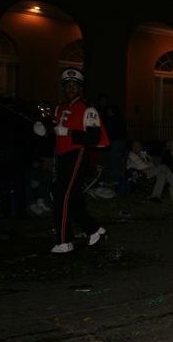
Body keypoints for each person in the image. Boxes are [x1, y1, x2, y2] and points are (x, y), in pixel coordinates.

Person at [33, 68, 110, 253]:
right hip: (63, 156)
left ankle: (64, 241)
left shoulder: (87, 109)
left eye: (74, 86)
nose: (71, 89)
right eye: (68, 86)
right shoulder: (60, 108)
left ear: (80, 88)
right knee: (70, 198)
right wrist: (45, 134)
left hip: (77, 155)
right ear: (64, 88)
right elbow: (58, 137)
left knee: (62, 197)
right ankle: (94, 230)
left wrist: (69, 132)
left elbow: (93, 137)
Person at [104, 104, 127, 188]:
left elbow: (111, 131)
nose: (107, 111)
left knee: (114, 160)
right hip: (119, 141)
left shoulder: (114, 119)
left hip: (116, 142)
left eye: (109, 110)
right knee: (117, 160)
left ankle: (115, 179)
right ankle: (116, 178)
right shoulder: (119, 119)